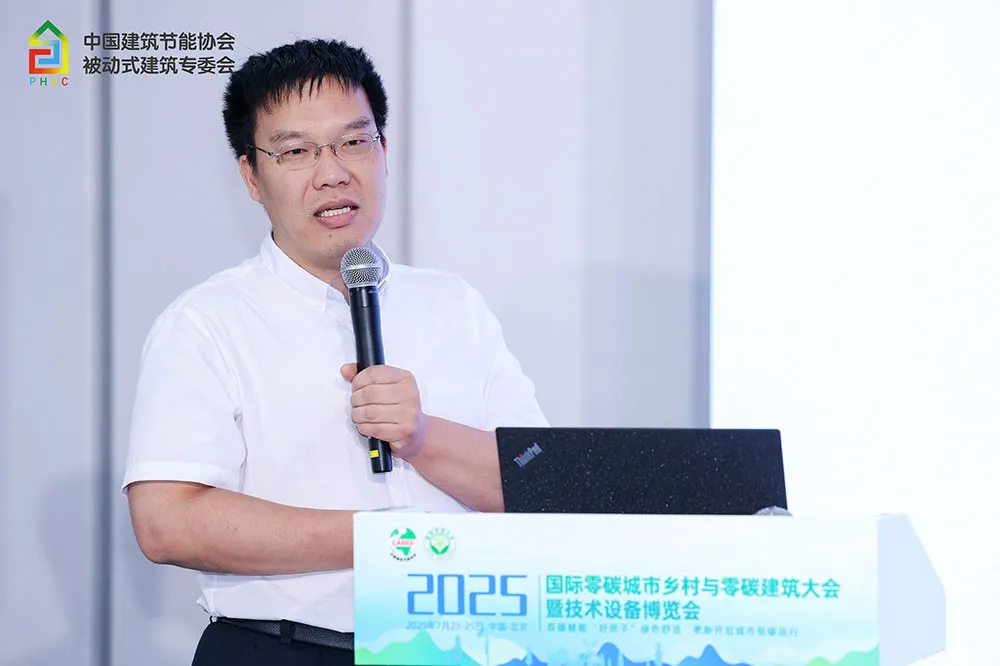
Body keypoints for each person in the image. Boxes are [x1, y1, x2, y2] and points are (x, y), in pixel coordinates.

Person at [120, 38, 548, 666]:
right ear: (251, 176)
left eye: (353, 141)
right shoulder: (207, 322)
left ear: (384, 152)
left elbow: (540, 487)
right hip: (285, 650)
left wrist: (422, 437)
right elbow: (167, 523)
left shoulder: (454, 305)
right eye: (296, 151)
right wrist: (384, 540)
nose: (333, 173)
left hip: (460, 648)